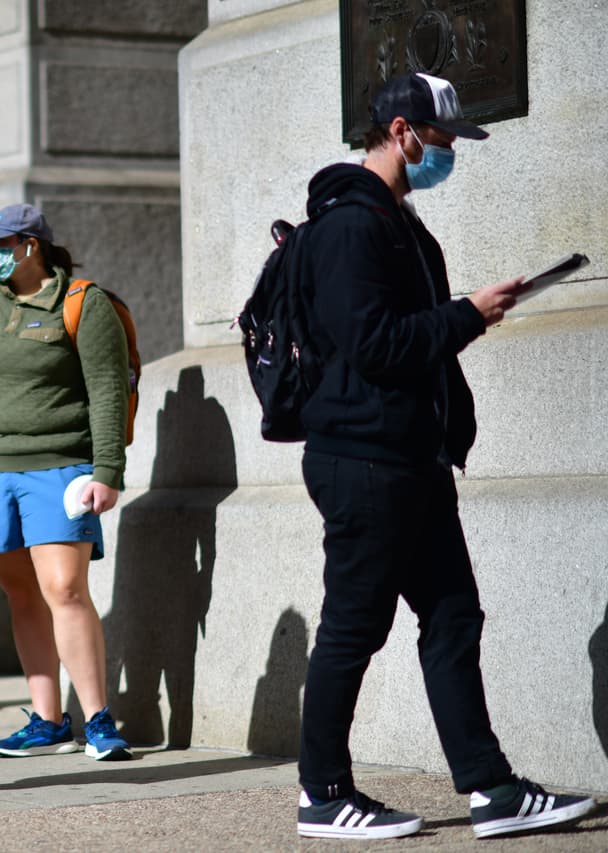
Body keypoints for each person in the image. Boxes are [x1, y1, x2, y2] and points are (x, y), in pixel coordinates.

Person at [291, 72, 594, 840]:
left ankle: (490, 787)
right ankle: (322, 791)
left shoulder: (400, 224)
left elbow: (405, 335)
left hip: (409, 457)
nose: (448, 151)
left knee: (453, 617)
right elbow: (376, 345)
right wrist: (466, 314)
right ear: (401, 132)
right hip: (363, 460)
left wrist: (465, 315)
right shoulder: (351, 226)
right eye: (442, 137)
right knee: (353, 627)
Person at [0, 203, 133, 762]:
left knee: (64, 590)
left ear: (31, 245)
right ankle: (48, 721)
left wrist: (107, 472)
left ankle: (98, 719)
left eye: (1, 244)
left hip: (60, 467)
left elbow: (107, 391)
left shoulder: (81, 303)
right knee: (20, 595)